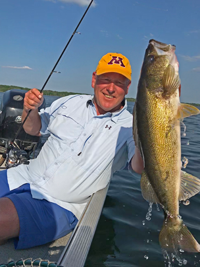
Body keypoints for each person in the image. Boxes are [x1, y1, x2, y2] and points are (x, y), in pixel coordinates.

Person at [0, 52, 144, 249]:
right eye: (106, 80)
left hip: (56, 204)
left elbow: (140, 168)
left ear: (127, 88)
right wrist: (29, 109)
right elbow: (33, 129)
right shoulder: (70, 102)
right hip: (21, 176)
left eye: (119, 83)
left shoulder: (131, 125)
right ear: (94, 79)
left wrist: (155, 129)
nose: (111, 88)